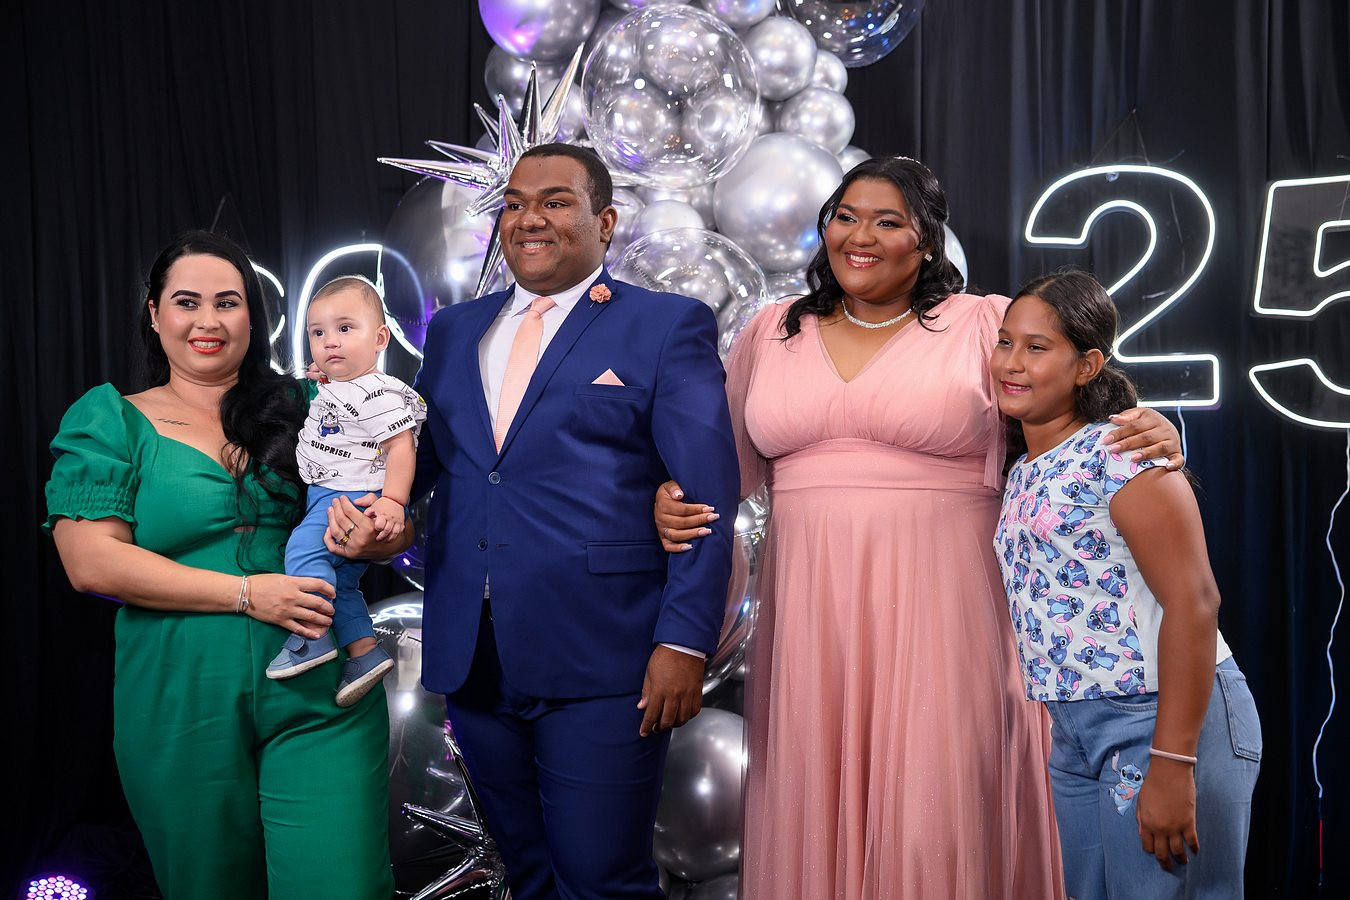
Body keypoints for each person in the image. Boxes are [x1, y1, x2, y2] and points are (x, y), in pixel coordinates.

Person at [654, 156, 1185, 898]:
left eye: (887, 221)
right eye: (845, 217)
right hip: (812, 620)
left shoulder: (982, 324)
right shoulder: (771, 332)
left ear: (928, 241)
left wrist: (1149, 424)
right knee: (816, 804)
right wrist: (667, 496)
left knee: (936, 816)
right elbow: (724, 476)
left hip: (948, 613)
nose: (860, 236)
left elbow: (1075, 416)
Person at [410, 143, 739, 899]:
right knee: (526, 874)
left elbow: (704, 499)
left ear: (606, 222)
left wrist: (685, 641)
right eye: (516, 204)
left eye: (556, 202)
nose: (530, 219)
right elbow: (425, 464)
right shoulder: (455, 330)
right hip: (474, 654)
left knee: (600, 879)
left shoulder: (665, 325)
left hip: (605, 656)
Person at [44, 230, 395, 899]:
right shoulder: (110, 420)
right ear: (155, 314)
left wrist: (375, 533)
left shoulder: (314, 403)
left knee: (343, 885)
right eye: (187, 302)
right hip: (180, 698)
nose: (208, 320)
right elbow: (90, 563)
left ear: (251, 318)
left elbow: (389, 504)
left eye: (228, 302)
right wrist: (245, 594)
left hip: (322, 684)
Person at [991, 269, 1260, 899]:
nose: (1012, 362)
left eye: (1037, 347)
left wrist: (1174, 760)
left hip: (1161, 715)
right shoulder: (1022, 468)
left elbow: (1195, 602)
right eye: (1005, 342)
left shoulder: (1123, 455)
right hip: (1074, 726)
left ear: (1086, 366)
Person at [265, 274, 425, 707]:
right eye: (317, 333)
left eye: (345, 328)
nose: (330, 341)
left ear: (380, 339)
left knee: (303, 552)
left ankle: (311, 636)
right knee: (342, 584)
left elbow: (401, 447)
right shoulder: (343, 387)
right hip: (331, 490)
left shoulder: (377, 394)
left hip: (347, 496)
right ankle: (364, 652)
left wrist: (393, 501)